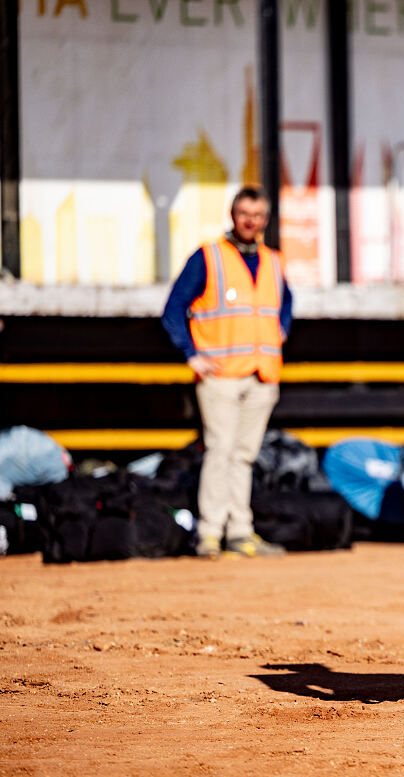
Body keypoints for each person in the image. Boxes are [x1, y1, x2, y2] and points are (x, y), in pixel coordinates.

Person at [162, 186, 292, 560]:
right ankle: (209, 533)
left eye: (258, 215)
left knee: (244, 456)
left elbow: (285, 305)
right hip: (219, 374)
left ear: (265, 220)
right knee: (220, 451)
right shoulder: (209, 257)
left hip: (262, 373)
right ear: (233, 216)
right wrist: (191, 354)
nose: (250, 221)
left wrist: (279, 333)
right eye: (244, 213)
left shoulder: (273, 260)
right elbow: (173, 310)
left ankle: (240, 531)